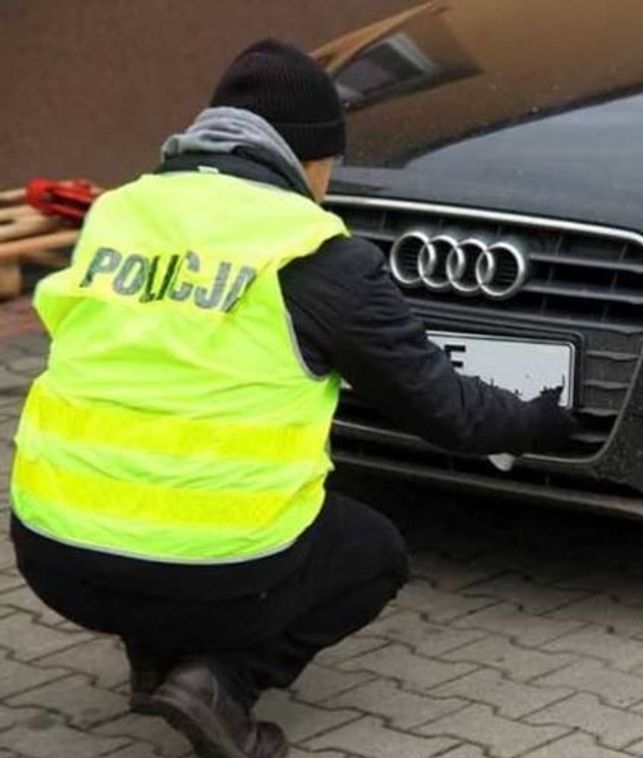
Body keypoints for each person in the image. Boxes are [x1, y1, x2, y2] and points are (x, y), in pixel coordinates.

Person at [7, 39, 576, 758]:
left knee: (156, 490)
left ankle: (156, 660)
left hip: (52, 554)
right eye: (330, 167)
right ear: (307, 158)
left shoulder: (119, 215)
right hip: (210, 567)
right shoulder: (313, 254)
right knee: (373, 555)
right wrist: (546, 420)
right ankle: (222, 681)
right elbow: (450, 414)